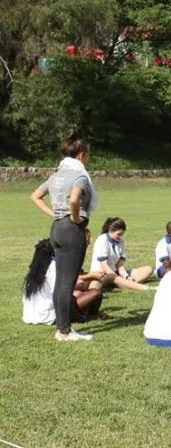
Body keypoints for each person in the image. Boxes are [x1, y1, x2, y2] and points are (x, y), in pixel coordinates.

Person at [29, 135, 98, 342]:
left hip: (57, 228)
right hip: (71, 230)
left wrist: (54, 214)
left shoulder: (56, 175)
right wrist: (76, 218)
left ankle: (62, 327)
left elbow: (35, 196)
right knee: (67, 283)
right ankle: (64, 330)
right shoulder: (80, 176)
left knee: (61, 281)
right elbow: (75, 198)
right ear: (81, 154)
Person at [22, 238, 104, 325]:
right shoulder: (54, 268)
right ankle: (91, 315)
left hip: (29, 316)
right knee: (96, 294)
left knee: (78, 293)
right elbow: (63, 296)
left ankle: (87, 313)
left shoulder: (35, 269)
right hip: (50, 316)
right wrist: (80, 318)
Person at [89, 217, 152, 291]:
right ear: (110, 230)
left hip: (115, 272)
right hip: (102, 274)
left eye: (122, 234)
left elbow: (119, 265)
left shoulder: (121, 241)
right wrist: (116, 277)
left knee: (148, 269)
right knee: (94, 287)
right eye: (118, 234)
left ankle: (123, 283)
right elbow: (104, 265)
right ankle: (144, 288)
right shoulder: (102, 240)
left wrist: (127, 277)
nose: (120, 237)